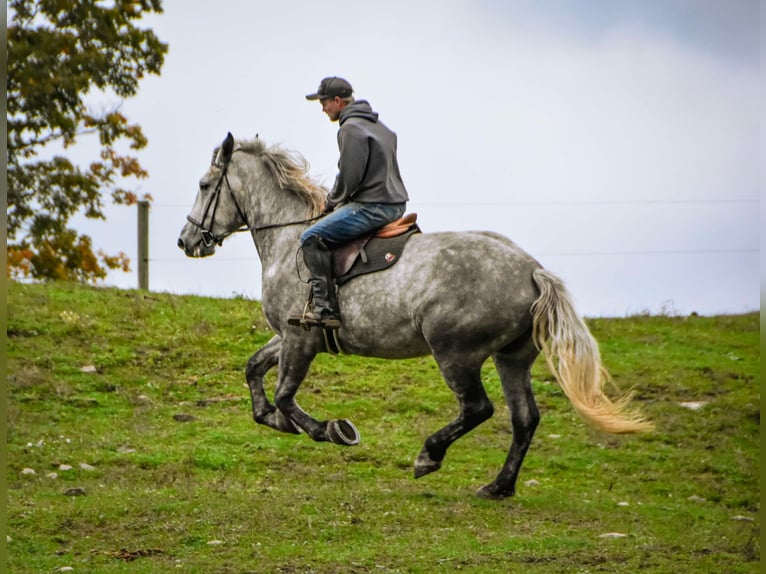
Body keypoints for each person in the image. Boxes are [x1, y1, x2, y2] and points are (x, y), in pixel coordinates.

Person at [289, 76, 409, 329]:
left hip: (373, 206)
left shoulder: (350, 129)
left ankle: (324, 308)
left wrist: (331, 202)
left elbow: (350, 175)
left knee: (310, 237)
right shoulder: (382, 128)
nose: (323, 108)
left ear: (337, 101)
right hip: (396, 203)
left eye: (324, 103)